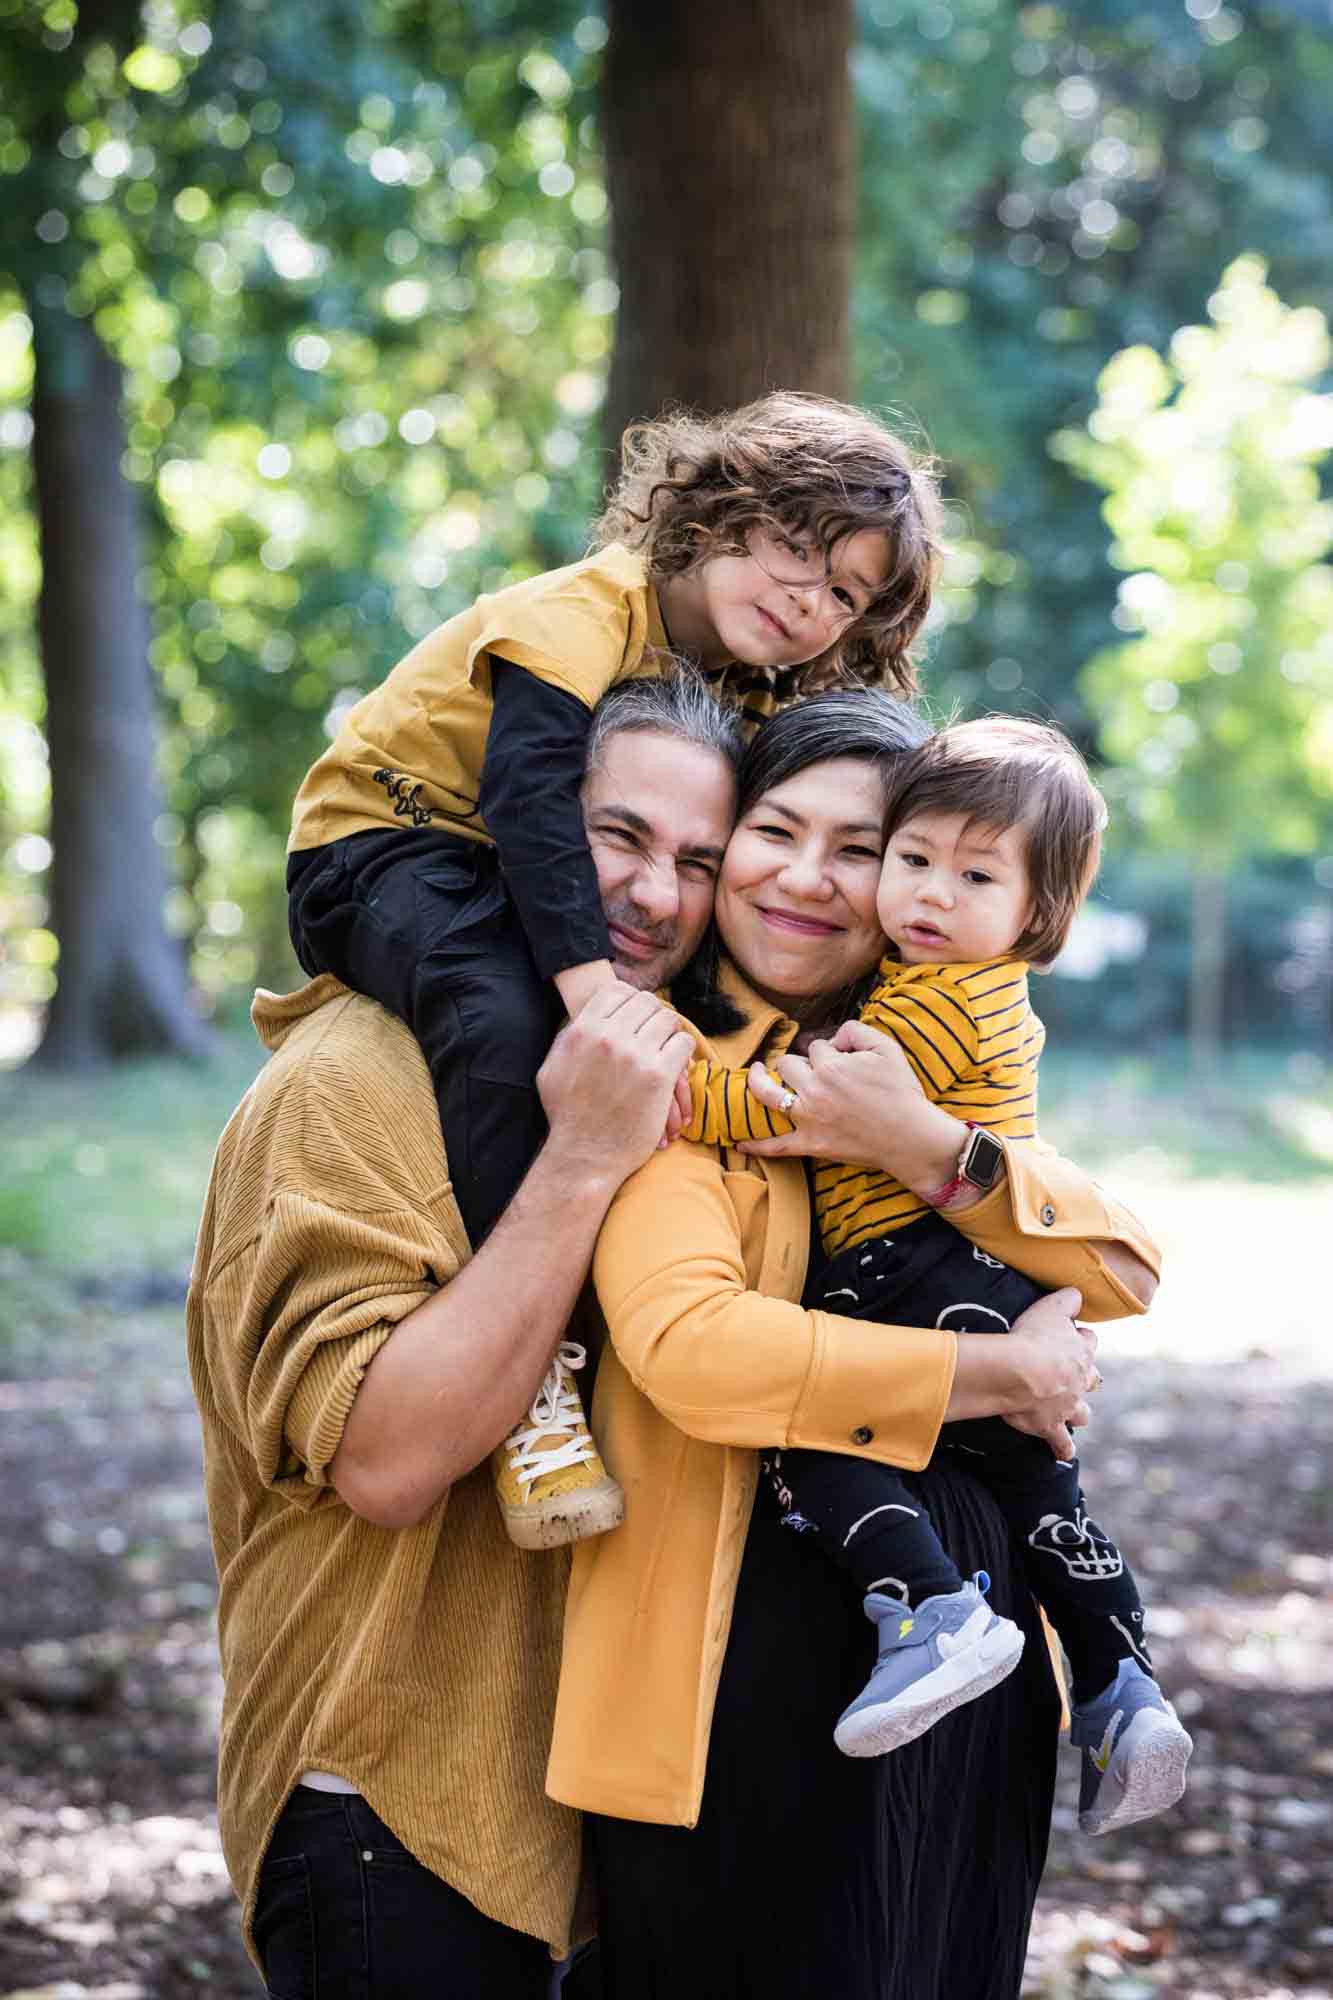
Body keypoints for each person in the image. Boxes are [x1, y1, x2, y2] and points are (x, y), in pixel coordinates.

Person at [546, 691, 1163, 2000]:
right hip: (759, 1675)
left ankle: (1113, 1679)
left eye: (862, 843)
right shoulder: (681, 1072)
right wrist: (999, 1370)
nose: (821, 881)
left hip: (976, 1673)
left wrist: (928, 1151)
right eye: (777, 832)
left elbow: (1121, 1267)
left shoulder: (917, 1063)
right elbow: (696, 1350)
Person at [283, 391, 943, 1545]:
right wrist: (590, 993)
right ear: (714, 514)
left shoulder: (743, 681)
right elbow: (531, 800)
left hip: (494, 864)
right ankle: (529, 1372)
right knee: (501, 1022)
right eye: (795, 551)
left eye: (843, 592)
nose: (807, 600)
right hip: (378, 849)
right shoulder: (584, 609)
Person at [186, 679, 742, 1997]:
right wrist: (580, 1165)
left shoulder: (653, 1062)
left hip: (582, 1817)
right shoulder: (351, 1081)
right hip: (388, 1805)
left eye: (698, 862)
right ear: (519, 828)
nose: (656, 896)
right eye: (617, 838)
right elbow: (386, 1459)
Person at [678, 715, 1191, 1830]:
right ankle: (1120, 1683)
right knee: (1045, 1494)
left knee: (812, 1427)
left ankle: (929, 1609)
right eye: (912, 859)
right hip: (988, 1282)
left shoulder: (923, 1001)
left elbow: (794, 1107)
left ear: (1035, 913)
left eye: (973, 874)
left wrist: (675, 1092)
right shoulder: (994, 1000)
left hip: (902, 1270)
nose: (929, 895)